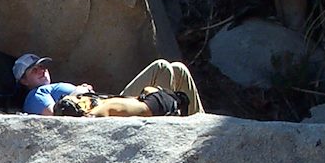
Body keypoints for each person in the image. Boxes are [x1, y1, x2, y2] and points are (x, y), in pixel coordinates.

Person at [13, 54, 205, 116]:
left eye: (43, 67)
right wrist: (79, 92)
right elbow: (54, 115)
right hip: (107, 111)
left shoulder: (51, 87)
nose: (42, 71)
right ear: (23, 80)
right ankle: (169, 117)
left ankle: (197, 117)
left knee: (177, 69)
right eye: (34, 70)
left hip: (109, 101)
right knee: (161, 67)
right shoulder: (36, 94)